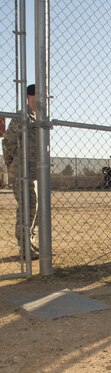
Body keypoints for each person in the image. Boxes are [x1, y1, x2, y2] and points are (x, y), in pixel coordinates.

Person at [2, 84, 39, 259]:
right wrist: (11, 165)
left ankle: (29, 242)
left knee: (35, 206)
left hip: (34, 171)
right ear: (30, 96)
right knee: (27, 206)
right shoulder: (21, 117)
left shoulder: (38, 118)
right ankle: (24, 247)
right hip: (21, 171)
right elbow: (8, 142)